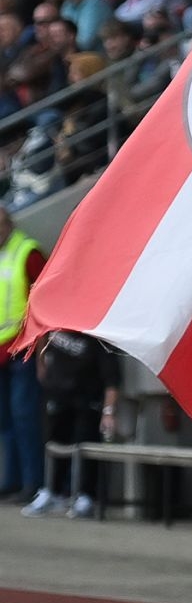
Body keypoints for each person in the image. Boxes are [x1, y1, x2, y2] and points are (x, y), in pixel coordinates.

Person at [21, 329, 118, 519]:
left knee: (85, 441)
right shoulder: (58, 325)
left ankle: (86, 495)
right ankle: (52, 491)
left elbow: (112, 379)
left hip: (87, 399)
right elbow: (42, 334)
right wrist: (41, 364)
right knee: (54, 441)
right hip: (58, 394)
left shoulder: (99, 337)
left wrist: (109, 412)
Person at [0, 208, 46, 505]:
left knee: (24, 416)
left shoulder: (27, 252)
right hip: (1, 352)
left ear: (9, 224)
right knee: (5, 421)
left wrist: (41, 351)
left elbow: (42, 301)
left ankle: (33, 482)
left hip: (22, 349)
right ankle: (12, 481)